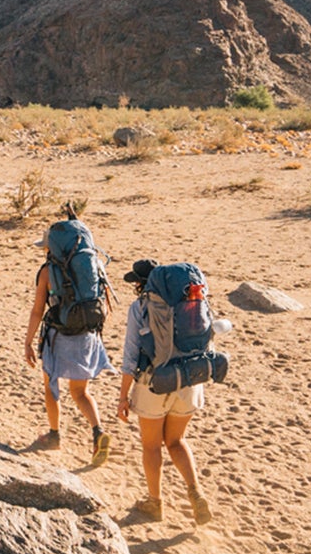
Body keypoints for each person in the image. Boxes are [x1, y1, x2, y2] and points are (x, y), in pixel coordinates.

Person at [115, 259, 213, 525]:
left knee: (151, 446)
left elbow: (130, 356)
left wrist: (123, 397)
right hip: (189, 380)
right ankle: (196, 492)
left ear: (142, 284)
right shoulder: (191, 304)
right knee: (176, 441)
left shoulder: (140, 308)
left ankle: (154, 502)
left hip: (154, 382)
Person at [24, 206, 112, 462]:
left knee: (51, 385)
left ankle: (54, 435)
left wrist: (28, 342)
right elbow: (105, 306)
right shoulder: (94, 265)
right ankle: (98, 432)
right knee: (80, 392)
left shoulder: (46, 272)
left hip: (59, 335)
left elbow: (37, 310)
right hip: (87, 334)